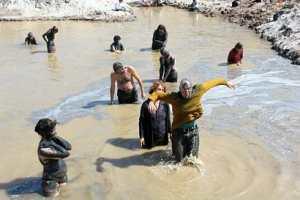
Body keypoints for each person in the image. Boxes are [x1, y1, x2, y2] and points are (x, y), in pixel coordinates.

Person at [148, 78, 235, 162]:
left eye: (188, 89)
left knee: (192, 160)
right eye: (183, 90)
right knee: (178, 161)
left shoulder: (199, 90)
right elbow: (158, 94)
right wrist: (151, 101)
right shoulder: (174, 97)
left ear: (191, 88)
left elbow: (213, 82)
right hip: (178, 132)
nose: (186, 92)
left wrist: (226, 82)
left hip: (193, 132)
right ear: (180, 90)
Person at [35, 118, 72, 197]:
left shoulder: (52, 139)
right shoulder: (43, 149)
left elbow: (69, 147)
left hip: (62, 176)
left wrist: (55, 137)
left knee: (66, 195)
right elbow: (66, 153)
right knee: (51, 197)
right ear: (47, 132)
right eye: (52, 129)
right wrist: (54, 138)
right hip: (50, 180)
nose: (55, 130)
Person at [139, 81, 171, 149]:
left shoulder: (165, 104)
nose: (161, 92)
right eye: (159, 89)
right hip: (150, 138)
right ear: (153, 90)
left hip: (163, 138)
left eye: (163, 90)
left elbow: (168, 120)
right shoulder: (145, 105)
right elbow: (141, 122)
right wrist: (141, 137)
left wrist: (170, 132)